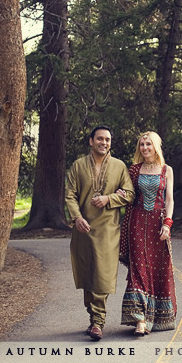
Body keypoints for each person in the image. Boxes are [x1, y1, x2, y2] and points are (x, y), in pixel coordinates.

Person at [66, 125, 135, 341]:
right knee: (88, 274)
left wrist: (109, 199)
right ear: (91, 141)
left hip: (108, 230)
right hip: (83, 229)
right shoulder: (78, 166)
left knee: (102, 274)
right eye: (100, 139)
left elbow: (130, 193)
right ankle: (93, 314)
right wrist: (77, 218)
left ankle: (98, 322)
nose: (104, 143)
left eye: (107, 140)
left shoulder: (119, 166)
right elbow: (70, 195)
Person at [119, 131, 177, 336]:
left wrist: (167, 225)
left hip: (158, 224)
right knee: (138, 268)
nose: (144, 148)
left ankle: (159, 317)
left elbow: (169, 200)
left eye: (148, 144)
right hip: (136, 223)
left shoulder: (166, 170)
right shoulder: (134, 170)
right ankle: (140, 319)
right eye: (142, 144)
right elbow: (128, 193)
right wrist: (120, 193)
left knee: (157, 267)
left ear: (155, 146)